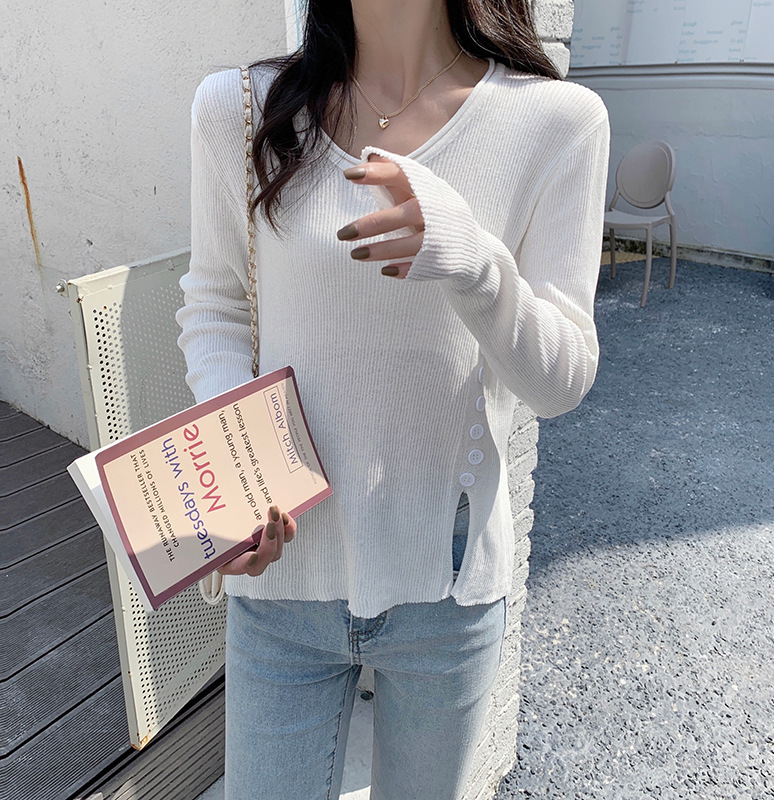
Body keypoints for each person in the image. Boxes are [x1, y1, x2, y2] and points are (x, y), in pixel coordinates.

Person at [176, 1, 609, 797]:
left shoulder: (557, 121)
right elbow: (217, 307)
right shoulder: (239, 109)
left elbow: (561, 381)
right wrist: (239, 482)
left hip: (446, 581)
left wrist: (472, 262)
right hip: (282, 576)